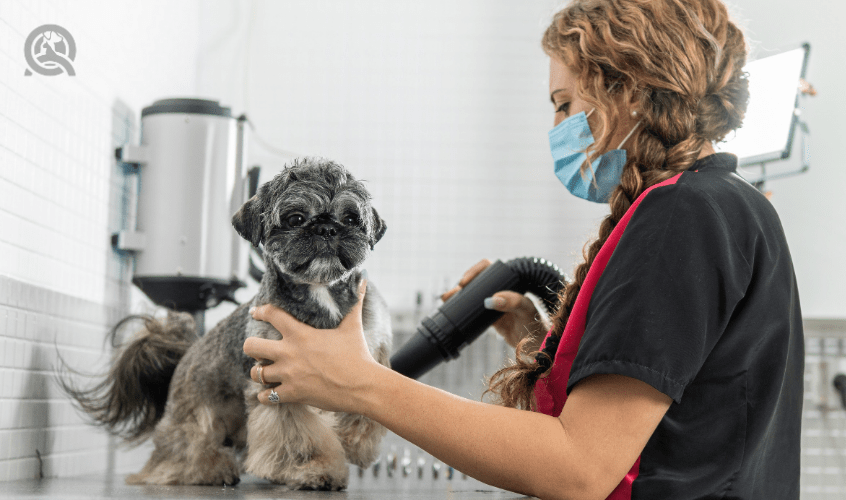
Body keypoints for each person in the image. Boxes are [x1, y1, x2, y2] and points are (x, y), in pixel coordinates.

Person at [243, 0, 804, 498]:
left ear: (628, 91)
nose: (556, 126)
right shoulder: (722, 204)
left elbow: (577, 467)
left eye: (564, 104)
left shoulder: (683, 214)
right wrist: (536, 342)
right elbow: (673, 420)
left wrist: (364, 384)